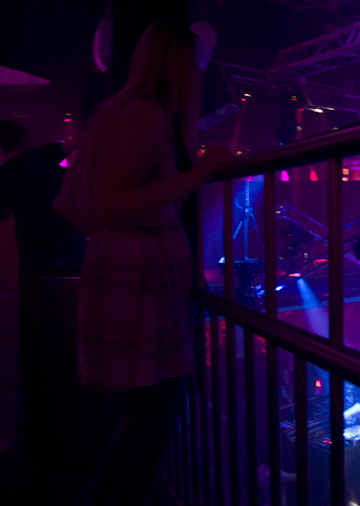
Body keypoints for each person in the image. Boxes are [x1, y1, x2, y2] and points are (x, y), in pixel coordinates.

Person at [77, 21, 231, 506]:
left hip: (135, 273)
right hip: (137, 276)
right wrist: (197, 174)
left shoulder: (131, 111)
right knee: (156, 416)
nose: (202, 72)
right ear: (180, 62)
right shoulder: (144, 114)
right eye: (199, 61)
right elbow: (111, 203)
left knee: (149, 414)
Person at [0, 120, 87, 274]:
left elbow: (3, 213)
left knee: (37, 286)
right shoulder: (40, 155)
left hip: (32, 246)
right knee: (73, 284)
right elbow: (78, 141)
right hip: (66, 238)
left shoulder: (4, 173)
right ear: (23, 139)